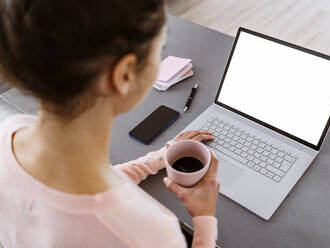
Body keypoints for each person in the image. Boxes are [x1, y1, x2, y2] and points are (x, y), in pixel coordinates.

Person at [0, 0, 220, 247]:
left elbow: (72, 195)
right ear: (124, 74)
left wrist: (158, 158)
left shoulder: (9, 133)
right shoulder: (150, 232)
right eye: (160, 49)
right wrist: (204, 219)